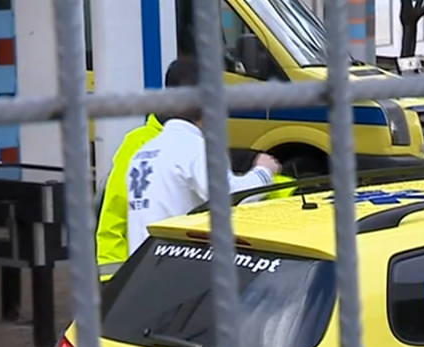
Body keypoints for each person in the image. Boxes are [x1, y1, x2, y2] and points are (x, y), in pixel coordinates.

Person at [95, 57, 287, 282]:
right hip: (181, 282)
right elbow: (233, 197)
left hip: (143, 279)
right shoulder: (195, 148)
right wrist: (264, 171)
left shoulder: (143, 152)